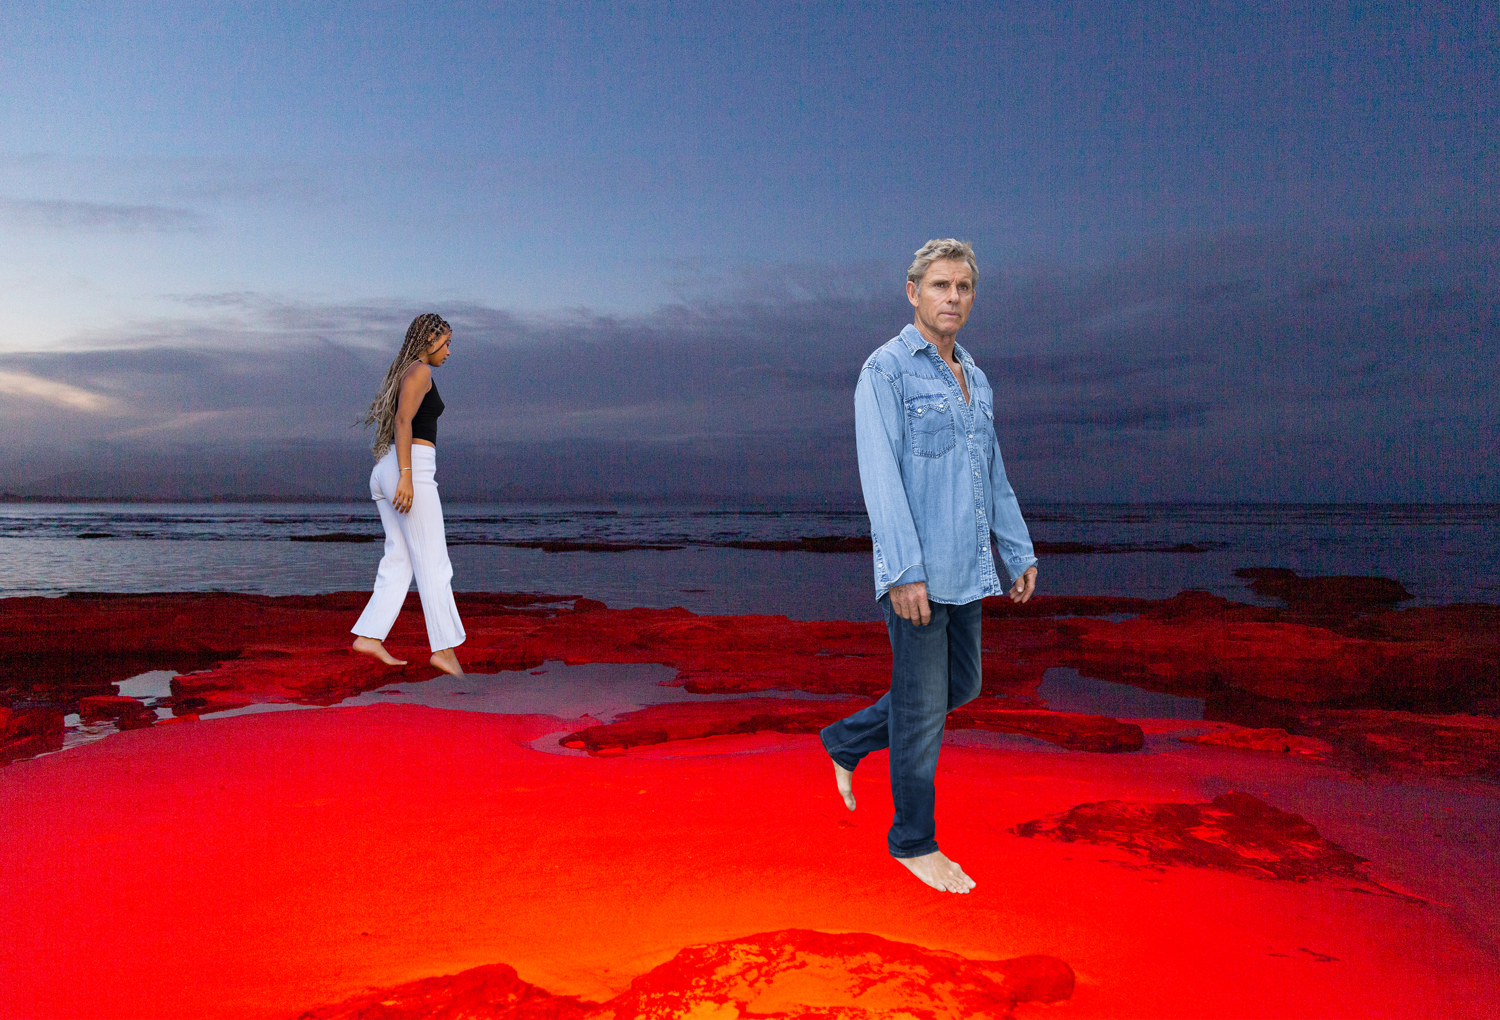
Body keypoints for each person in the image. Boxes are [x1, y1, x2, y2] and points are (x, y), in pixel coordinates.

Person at [820, 239, 1038, 894]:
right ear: (912, 291)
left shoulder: (976, 377)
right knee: (920, 712)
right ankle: (913, 841)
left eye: (963, 287)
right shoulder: (886, 371)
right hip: (917, 574)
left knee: (960, 687)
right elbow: (879, 477)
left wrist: (1017, 547)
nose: (952, 298)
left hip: (965, 568)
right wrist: (902, 571)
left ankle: (847, 739)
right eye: (940, 285)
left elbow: (991, 473)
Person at [350, 312, 466, 677]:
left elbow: (400, 420)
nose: (449, 350)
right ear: (429, 341)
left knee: (400, 557)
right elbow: (403, 421)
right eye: (446, 343)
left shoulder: (406, 371)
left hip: (388, 467)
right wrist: (407, 476)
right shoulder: (420, 371)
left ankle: (369, 635)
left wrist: (398, 473)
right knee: (434, 561)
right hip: (409, 464)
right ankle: (444, 650)